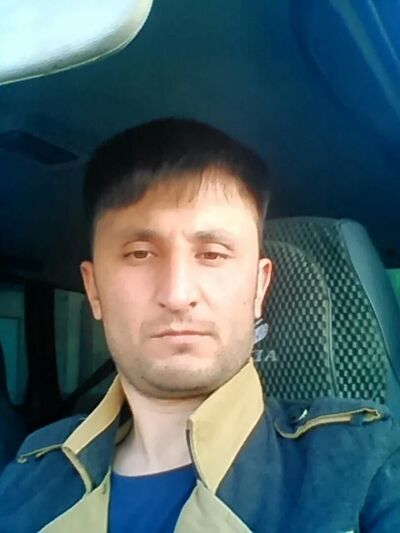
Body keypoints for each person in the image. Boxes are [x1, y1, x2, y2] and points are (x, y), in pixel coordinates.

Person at [0, 118, 399, 533]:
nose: (177, 294)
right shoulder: (31, 472)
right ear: (94, 289)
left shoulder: (366, 463)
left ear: (259, 287)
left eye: (213, 254)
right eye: (139, 254)